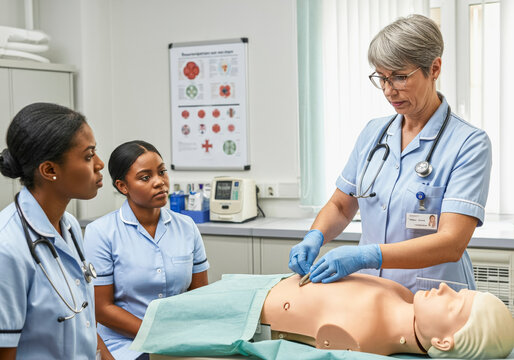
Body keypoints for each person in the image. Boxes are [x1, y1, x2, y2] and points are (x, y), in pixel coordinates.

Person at [289, 14, 492, 292]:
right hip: (372, 295)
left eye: (399, 77)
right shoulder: (374, 133)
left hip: (434, 300)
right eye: (381, 78)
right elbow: (341, 205)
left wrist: (367, 255)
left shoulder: (469, 143)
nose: (388, 90)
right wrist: (315, 235)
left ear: (434, 69)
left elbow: (452, 242)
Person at [131, 273, 514, 359]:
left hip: (241, 314)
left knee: (170, 328)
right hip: (262, 285)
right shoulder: (402, 297)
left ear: (444, 342)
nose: (446, 288)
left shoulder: (368, 337)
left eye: (453, 304)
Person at [0, 103, 111, 359]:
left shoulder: (69, 225)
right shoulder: (7, 247)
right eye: (88, 156)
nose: (99, 164)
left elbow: (83, 322)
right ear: (49, 170)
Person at [84, 140, 210, 360]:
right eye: (146, 177)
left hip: (181, 339)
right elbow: (102, 308)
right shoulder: (101, 232)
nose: (160, 182)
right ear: (123, 186)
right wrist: (159, 335)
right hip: (126, 345)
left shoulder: (186, 226)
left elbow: (200, 295)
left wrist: (185, 336)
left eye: (162, 172)